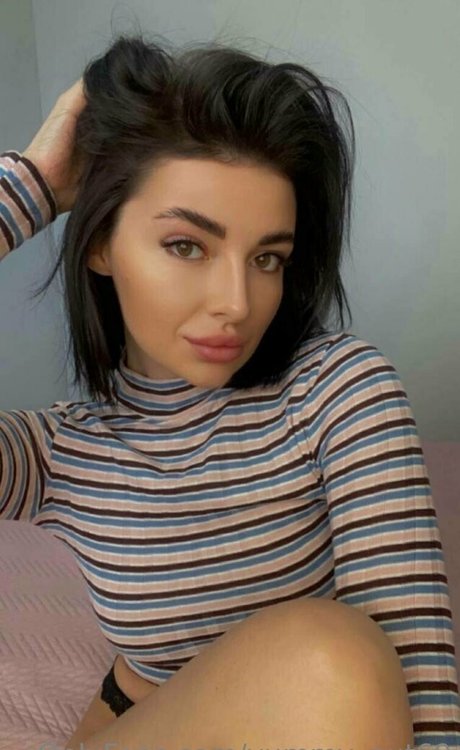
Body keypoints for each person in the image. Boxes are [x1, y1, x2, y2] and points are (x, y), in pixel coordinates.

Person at [1, 31, 459, 750]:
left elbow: (414, 664)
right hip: (138, 720)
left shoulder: (338, 390)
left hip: (318, 715)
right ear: (99, 244)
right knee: (332, 655)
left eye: (267, 257)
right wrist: (29, 186)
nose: (238, 303)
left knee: (340, 653)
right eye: (187, 246)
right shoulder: (54, 454)